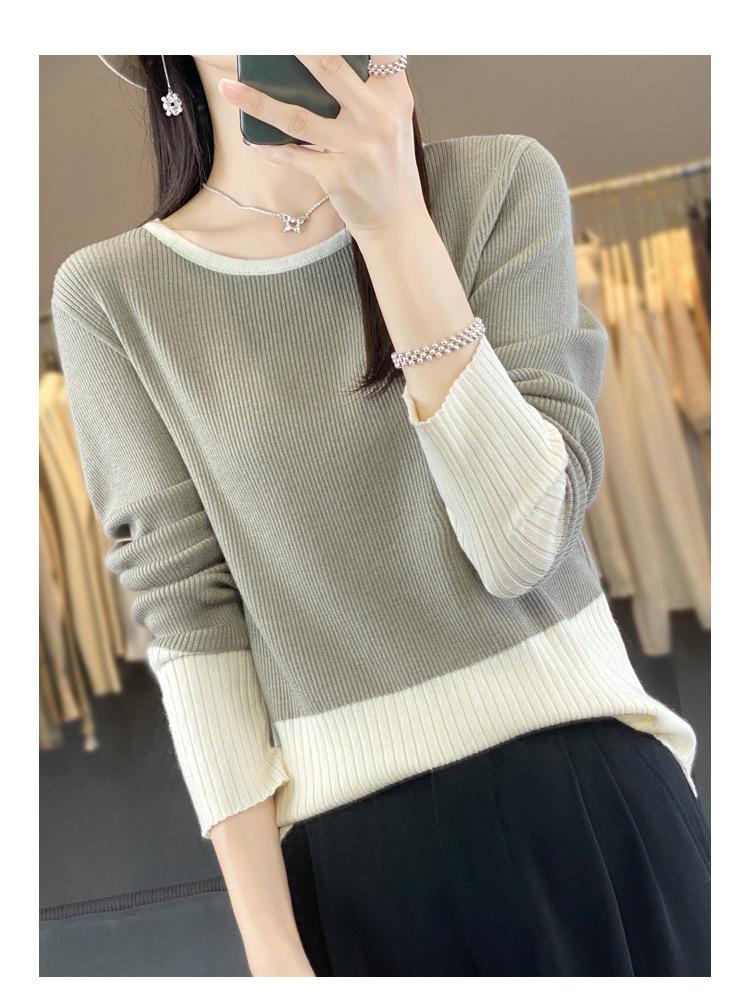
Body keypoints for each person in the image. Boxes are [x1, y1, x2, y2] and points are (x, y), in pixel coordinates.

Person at [51, 54, 710, 977]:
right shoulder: (113, 295)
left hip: (593, 806)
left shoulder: (499, 186)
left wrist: (394, 222)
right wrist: (270, 949)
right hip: (358, 862)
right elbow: (191, 620)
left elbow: (520, 544)